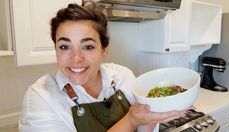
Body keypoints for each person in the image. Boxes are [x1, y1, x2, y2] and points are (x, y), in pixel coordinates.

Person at [19, 2, 187, 132]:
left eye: (88, 46)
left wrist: (150, 117)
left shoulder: (123, 77)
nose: (76, 58)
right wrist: (131, 120)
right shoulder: (40, 97)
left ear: (103, 50)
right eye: (64, 47)